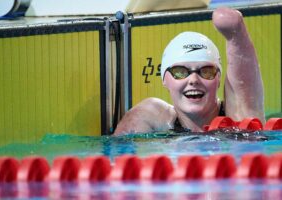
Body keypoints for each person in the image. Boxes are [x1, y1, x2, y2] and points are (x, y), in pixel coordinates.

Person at [114, 7, 265, 135]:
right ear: (164, 79)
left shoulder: (238, 119)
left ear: (218, 79)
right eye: (180, 72)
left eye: (206, 71)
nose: (193, 79)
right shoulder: (153, 117)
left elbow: (243, 92)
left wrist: (236, 34)